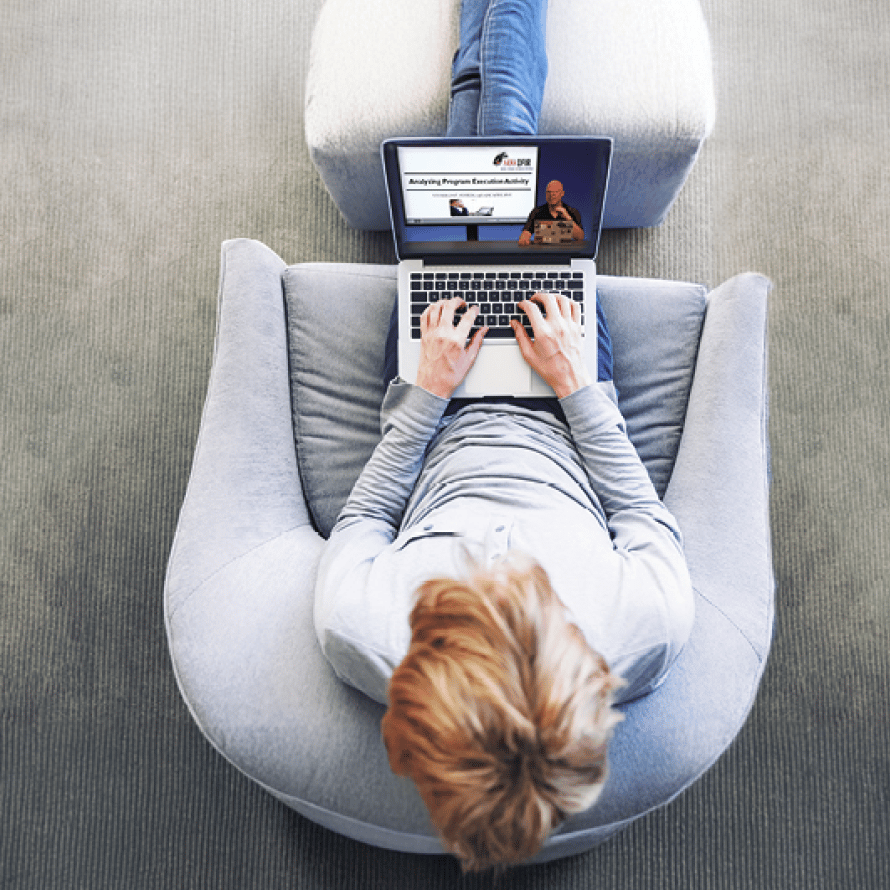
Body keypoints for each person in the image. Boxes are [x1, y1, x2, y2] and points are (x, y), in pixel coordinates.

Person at [314, 293, 695, 873]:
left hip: (437, 413)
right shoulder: (651, 624)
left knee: (435, 240)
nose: (502, 570)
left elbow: (364, 519)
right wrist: (572, 381)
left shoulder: (357, 628)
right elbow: (639, 512)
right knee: (555, 240)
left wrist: (429, 393)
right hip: (566, 413)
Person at [518, 181, 584, 245]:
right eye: (549, 192)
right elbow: (526, 232)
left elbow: (580, 237)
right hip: (543, 253)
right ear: (546, 194)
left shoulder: (572, 211)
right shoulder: (536, 212)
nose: (552, 195)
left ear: (562, 193)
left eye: (556, 191)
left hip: (565, 252)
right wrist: (524, 238)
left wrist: (568, 218)